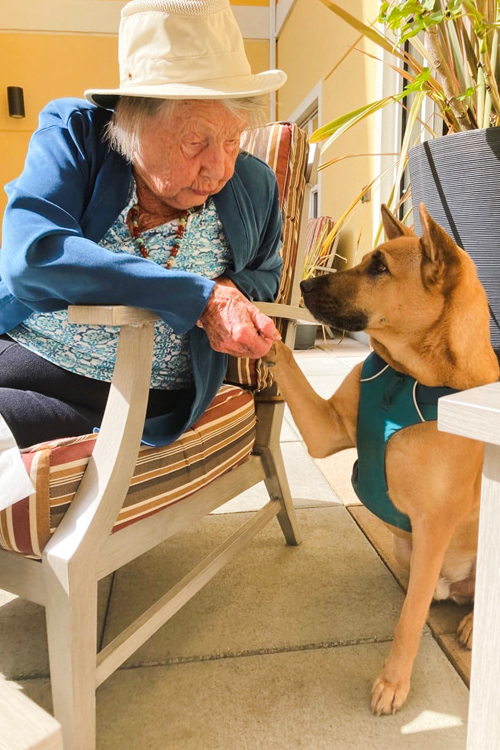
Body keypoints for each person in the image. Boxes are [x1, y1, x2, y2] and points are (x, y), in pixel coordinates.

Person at [0, 0, 287, 450]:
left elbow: (268, 274)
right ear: (130, 123)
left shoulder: (255, 185)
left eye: (233, 140)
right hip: (21, 360)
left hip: (143, 401)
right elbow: (31, 257)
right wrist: (198, 297)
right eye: (195, 141)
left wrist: (229, 287)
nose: (219, 169)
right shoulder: (75, 134)